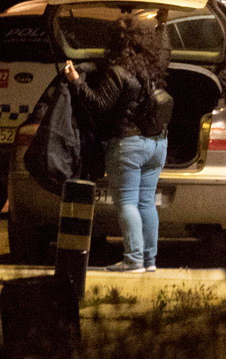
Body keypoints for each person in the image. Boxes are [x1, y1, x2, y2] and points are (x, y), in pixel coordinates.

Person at [63, 14, 170, 272]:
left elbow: (98, 104)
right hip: (157, 144)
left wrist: (76, 81)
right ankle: (149, 260)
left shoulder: (118, 72)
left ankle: (133, 260)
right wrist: (163, 24)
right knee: (146, 202)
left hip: (129, 145)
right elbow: (166, 47)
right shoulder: (154, 68)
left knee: (128, 203)